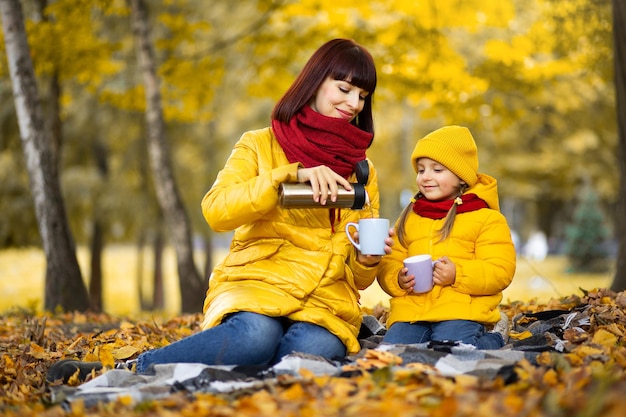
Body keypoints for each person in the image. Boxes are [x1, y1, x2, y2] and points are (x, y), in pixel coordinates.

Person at [47, 38, 393, 383]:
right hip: (259, 282)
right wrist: (290, 174)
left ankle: (236, 378)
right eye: (344, 89)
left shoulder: (362, 171)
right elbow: (217, 211)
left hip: (325, 301)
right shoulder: (259, 145)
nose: (353, 104)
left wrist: (367, 259)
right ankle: (131, 369)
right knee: (254, 337)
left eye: (362, 96)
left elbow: (360, 278)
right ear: (315, 81)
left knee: (301, 355)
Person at [376, 125, 516, 349]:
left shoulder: (487, 218)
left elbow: (501, 271)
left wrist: (457, 274)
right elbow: (390, 261)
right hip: (413, 311)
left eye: (437, 170)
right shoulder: (411, 217)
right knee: (392, 351)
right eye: (421, 170)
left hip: (461, 310)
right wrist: (398, 279)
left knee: (454, 349)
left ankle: (495, 335)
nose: (426, 177)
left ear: (461, 177)